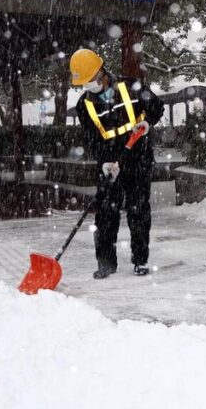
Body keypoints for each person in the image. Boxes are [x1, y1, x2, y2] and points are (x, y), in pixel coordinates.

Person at [70, 48, 164, 279]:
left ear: (101, 72)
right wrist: (104, 162)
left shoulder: (130, 86)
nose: (89, 86)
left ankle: (140, 259)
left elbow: (156, 107)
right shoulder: (85, 105)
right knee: (105, 214)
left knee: (138, 210)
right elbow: (93, 138)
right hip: (110, 164)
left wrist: (147, 125)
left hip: (138, 157)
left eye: (91, 80)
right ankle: (106, 263)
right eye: (84, 83)